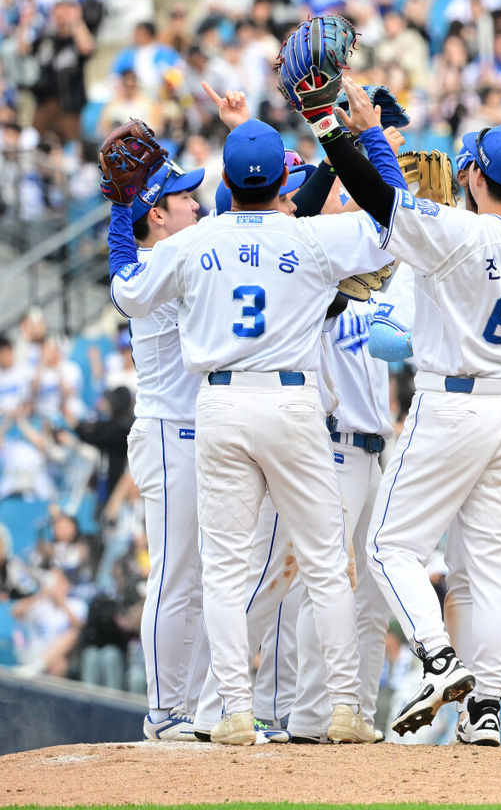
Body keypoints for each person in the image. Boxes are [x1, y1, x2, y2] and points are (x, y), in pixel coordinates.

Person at [106, 115, 394, 746]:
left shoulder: (194, 241)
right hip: (291, 404)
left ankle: (233, 711)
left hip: (220, 406)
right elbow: (391, 220)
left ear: (228, 183)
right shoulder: (310, 236)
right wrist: (369, 141)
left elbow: (127, 291)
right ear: (277, 185)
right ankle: (345, 708)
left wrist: (121, 212)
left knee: (224, 569)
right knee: (326, 564)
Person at [319, 76, 501, 741]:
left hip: (453, 407)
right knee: (491, 572)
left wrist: (338, 126)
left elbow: (378, 196)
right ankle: (485, 711)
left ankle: (437, 659)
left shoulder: (458, 231)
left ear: (474, 175)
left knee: (386, 546)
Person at [106, 158, 207, 741]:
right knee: (174, 576)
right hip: (170, 432)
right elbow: (126, 279)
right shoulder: (160, 263)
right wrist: (122, 211)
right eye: (183, 197)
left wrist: (123, 212)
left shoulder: (169, 257)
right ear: (159, 216)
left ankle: (190, 707)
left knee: (200, 581)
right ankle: (165, 710)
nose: (196, 203)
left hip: (191, 432)